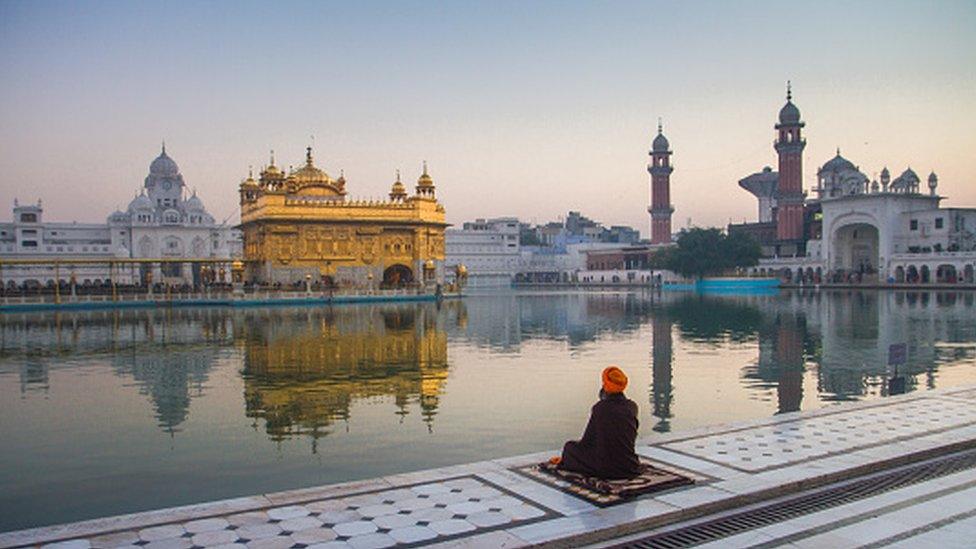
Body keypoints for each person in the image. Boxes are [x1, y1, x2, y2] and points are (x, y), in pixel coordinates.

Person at [551, 366, 641, 480]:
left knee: (570, 447)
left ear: (606, 385)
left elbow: (588, 441)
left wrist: (567, 457)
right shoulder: (632, 407)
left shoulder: (600, 408)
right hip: (629, 465)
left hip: (605, 467)